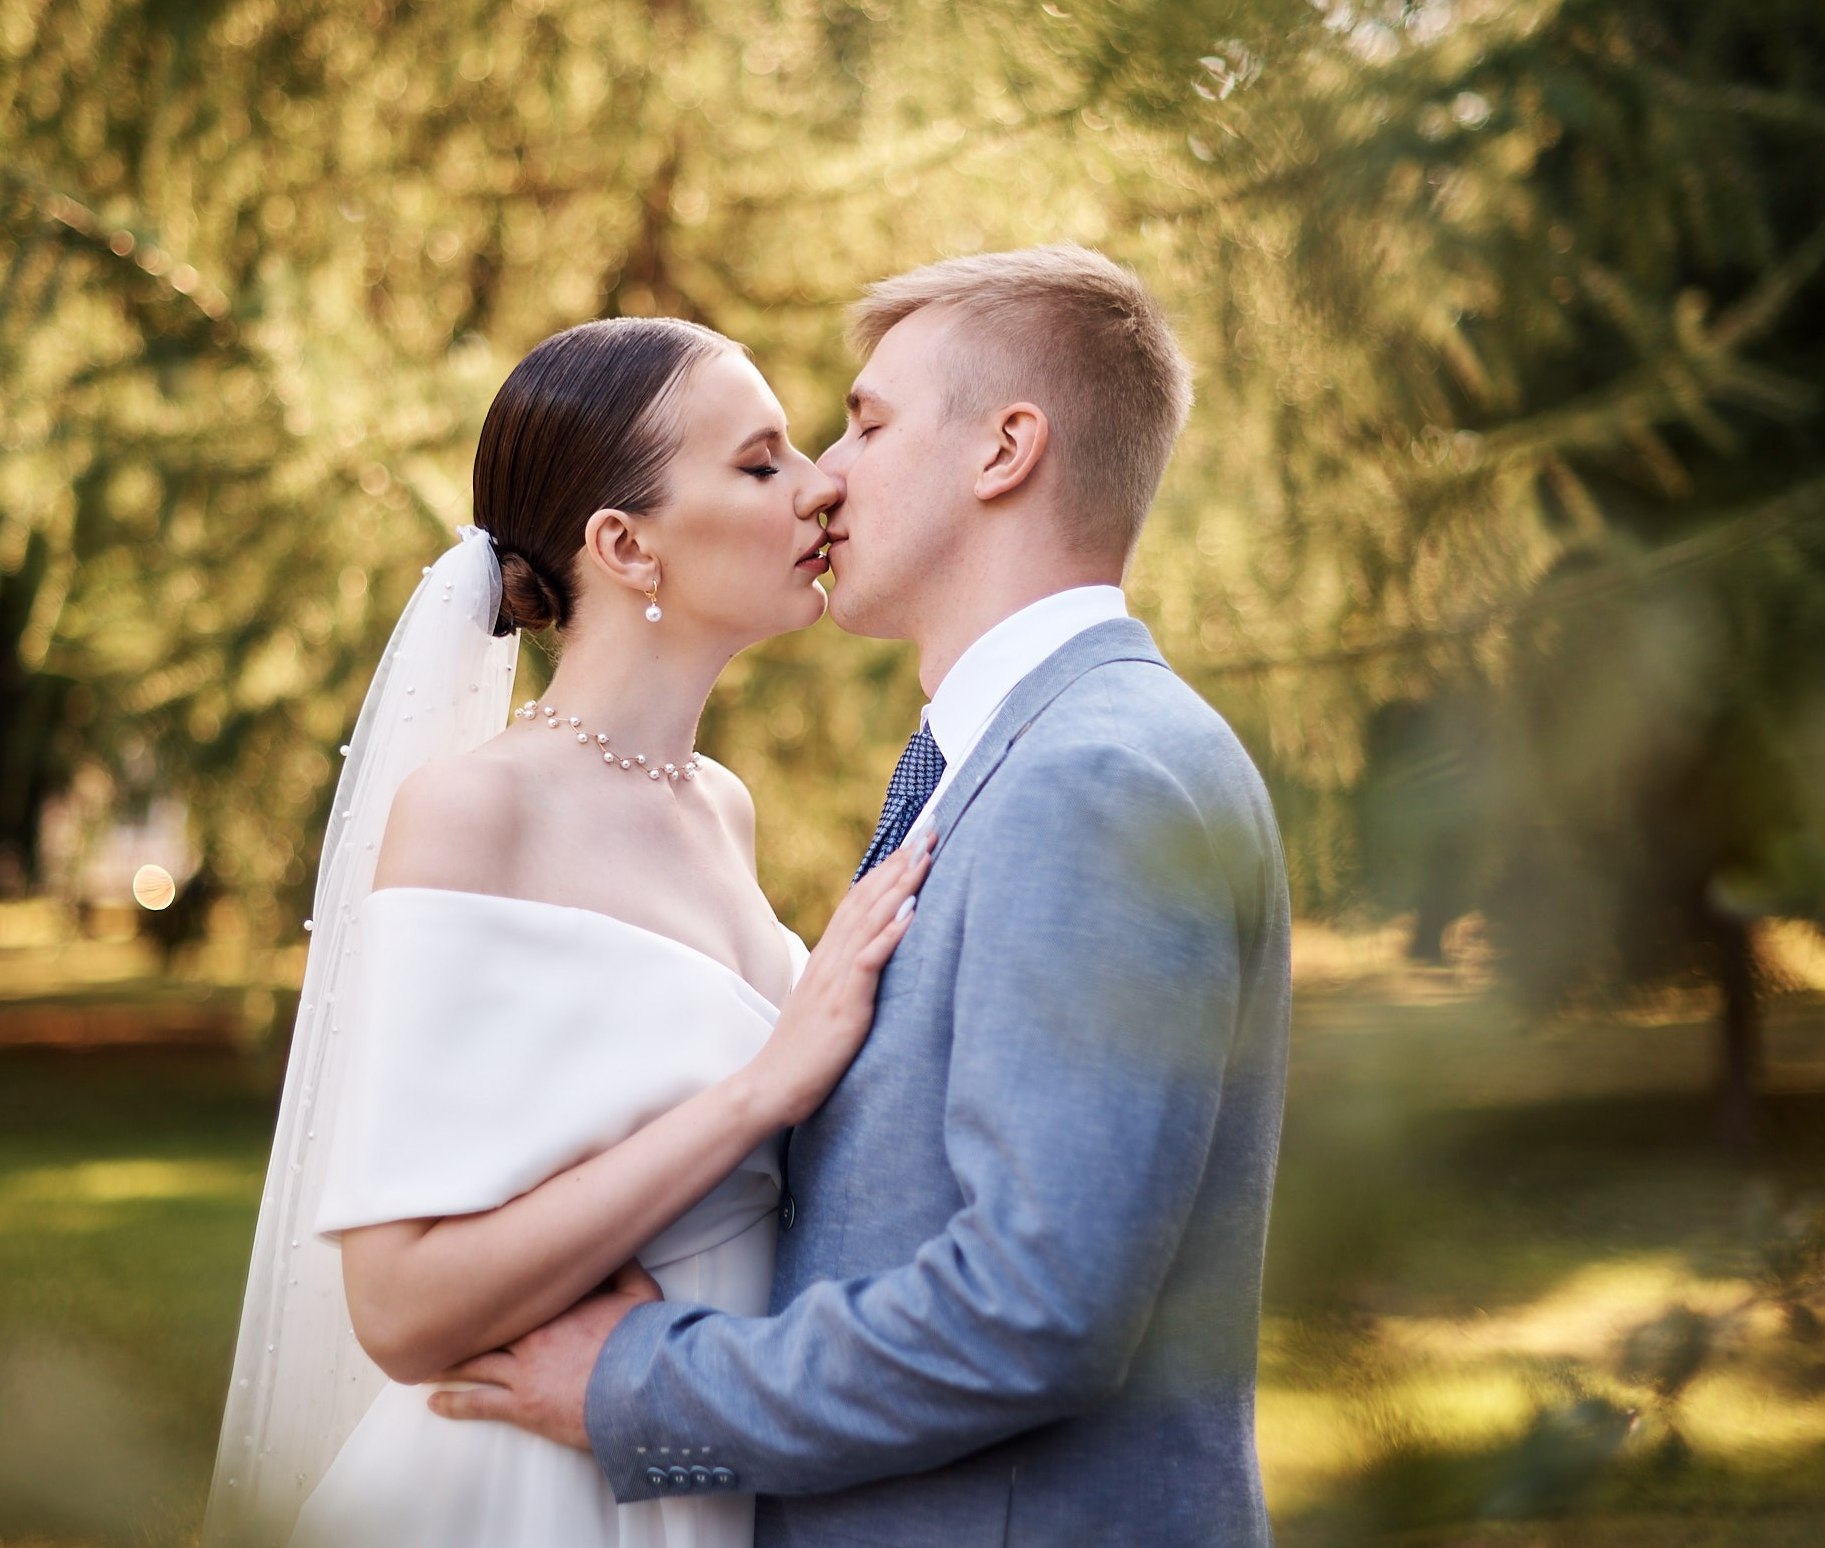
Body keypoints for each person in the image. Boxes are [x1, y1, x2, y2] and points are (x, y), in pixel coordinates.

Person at [429, 245, 1294, 1548]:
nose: (825, 476)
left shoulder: (1091, 778)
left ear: (1004, 450)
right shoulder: (1016, 756)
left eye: (868, 423)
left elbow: (1032, 1305)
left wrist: (635, 1382)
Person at [203, 316, 931, 1548]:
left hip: (681, 1458)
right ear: (624, 543)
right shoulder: (473, 810)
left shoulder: (721, 806)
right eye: (760, 464)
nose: (822, 485)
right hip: (519, 1493)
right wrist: (756, 1094)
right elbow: (398, 1306)